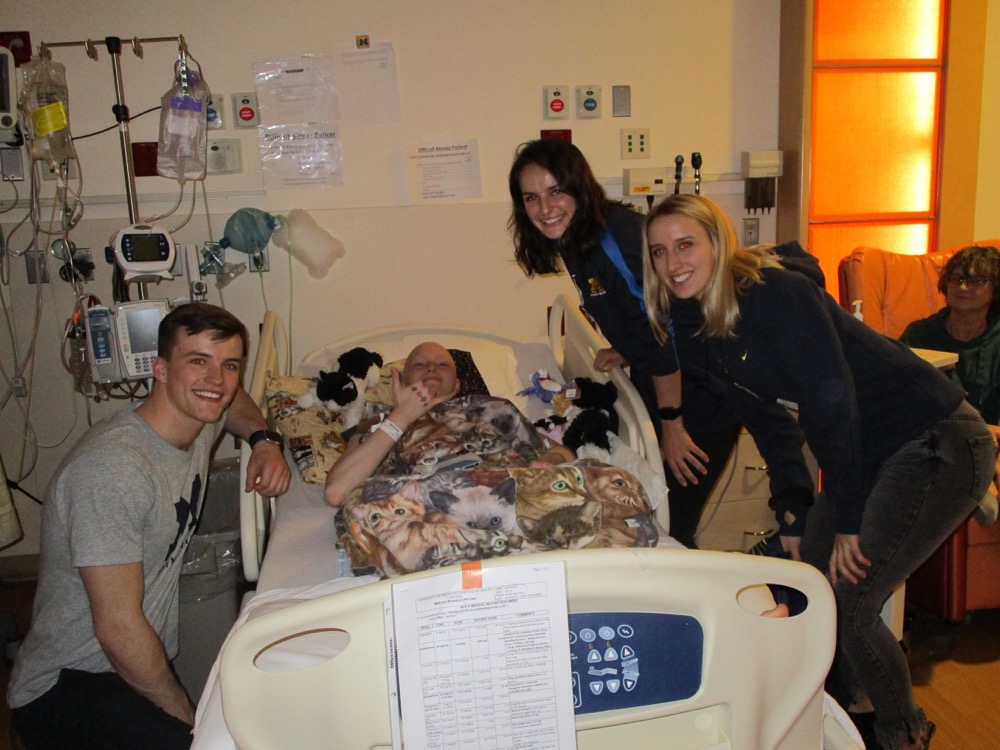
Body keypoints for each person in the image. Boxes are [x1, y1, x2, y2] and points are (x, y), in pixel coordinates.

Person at [642, 193, 994, 750]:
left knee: (851, 604)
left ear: (718, 243)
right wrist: (792, 510)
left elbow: (833, 404)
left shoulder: (775, 294)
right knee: (807, 579)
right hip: (875, 451)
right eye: (659, 252)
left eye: (685, 244)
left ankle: (903, 735)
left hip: (938, 441)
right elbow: (768, 422)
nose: (673, 262)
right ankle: (848, 713)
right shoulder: (697, 325)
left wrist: (849, 517)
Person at [8, 302, 291, 750]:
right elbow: (118, 628)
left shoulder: (196, 419)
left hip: (120, 666)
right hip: (67, 684)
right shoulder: (115, 470)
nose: (217, 380)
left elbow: (234, 400)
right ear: (159, 369)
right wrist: (185, 713)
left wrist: (263, 441)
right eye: (198, 361)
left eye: (229, 365)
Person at [507, 138, 809, 548]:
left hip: (702, 395)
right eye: (532, 197)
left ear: (578, 187)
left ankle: (776, 541)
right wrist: (629, 348)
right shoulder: (576, 241)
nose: (545, 208)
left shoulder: (615, 240)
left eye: (556, 191)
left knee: (669, 524)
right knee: (649, 509)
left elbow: (662, 334)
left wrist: (672, 425)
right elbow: (651, 313)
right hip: (670, 381)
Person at [324, 342, 574, 507]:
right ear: (403, 381)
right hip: (430, 511)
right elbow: (337, 492)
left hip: (512, 497)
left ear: (456, 385)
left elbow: (563, 454)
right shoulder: (376, 423)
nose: (431, 368)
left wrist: (549, 461)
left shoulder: (493, 407)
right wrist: (402, 416)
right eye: (420, 364)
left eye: (442, 364)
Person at [900, 245, 1000, 428]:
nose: (962, 287)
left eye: (976, 281)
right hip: (934, 433)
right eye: (956, 278)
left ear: (995, 289)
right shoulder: (919, 334)